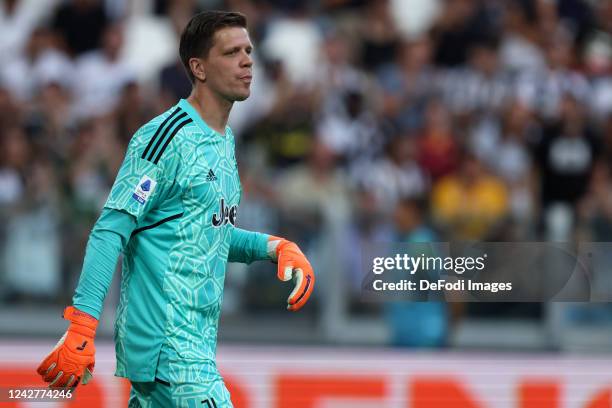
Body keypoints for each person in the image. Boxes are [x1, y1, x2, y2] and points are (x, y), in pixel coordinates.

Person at [36, 11, 315, 407]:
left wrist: (272, 247)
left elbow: (203, 230)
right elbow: (111, 228)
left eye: (248, 50)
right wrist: (83, 323)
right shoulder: (164, 136)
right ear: (198, 68)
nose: (247, 60)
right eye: (231, 52)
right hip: (170, 347)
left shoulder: (224, 141)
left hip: (192, 349)